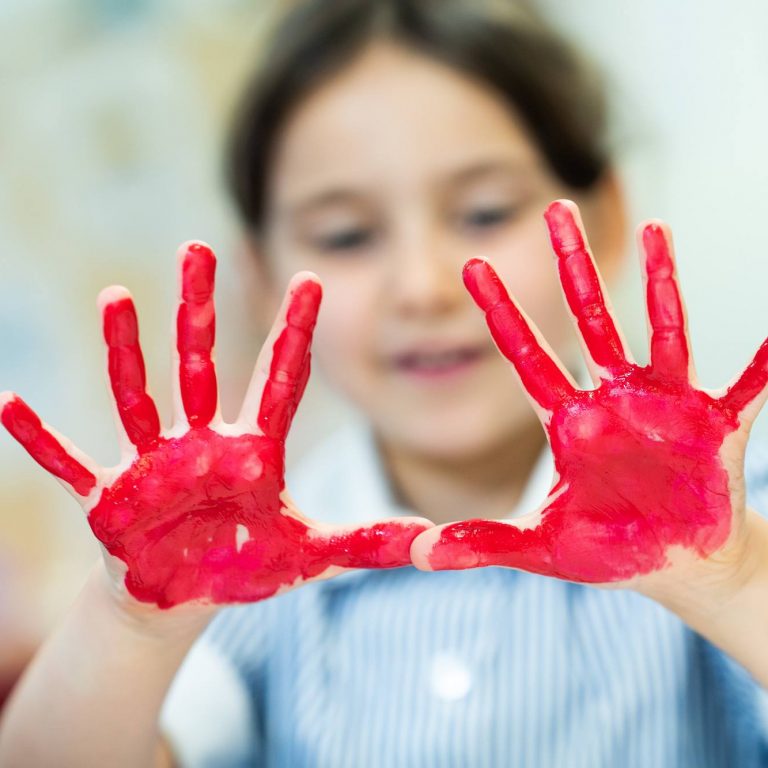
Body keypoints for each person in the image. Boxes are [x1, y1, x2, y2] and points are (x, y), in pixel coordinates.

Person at [1, 0, 768, 766]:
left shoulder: (731, 524)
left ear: (602, 221)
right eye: (347, 235)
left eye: (483, 211)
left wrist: (735, 584)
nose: (421, 286)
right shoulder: (232, 565)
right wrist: (131, 626)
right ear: (262, 278)